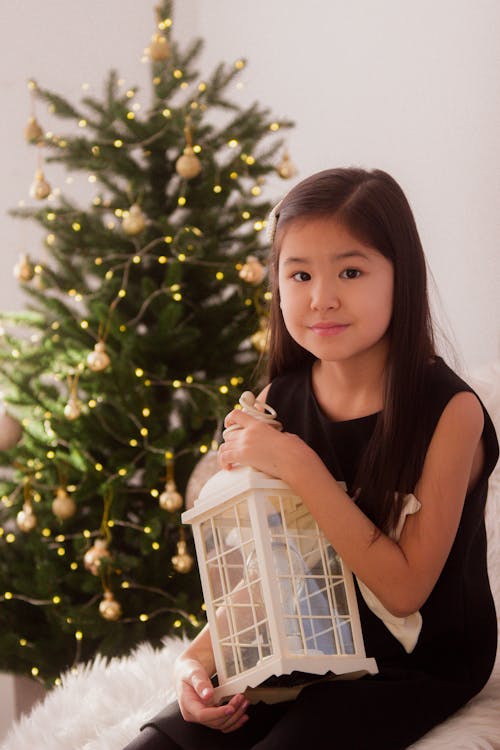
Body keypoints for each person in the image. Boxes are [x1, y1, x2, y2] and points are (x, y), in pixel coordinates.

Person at [124, 168, 498, 750]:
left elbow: (404, 592)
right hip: (308, 641)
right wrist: (195, 661)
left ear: (402, 277)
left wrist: (297, 464)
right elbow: (273, 567)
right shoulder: (282, 401)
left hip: (413, 662)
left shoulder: (451, 412)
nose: (322, 297)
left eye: (351, 271)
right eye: (299, 274)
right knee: (158, 745)